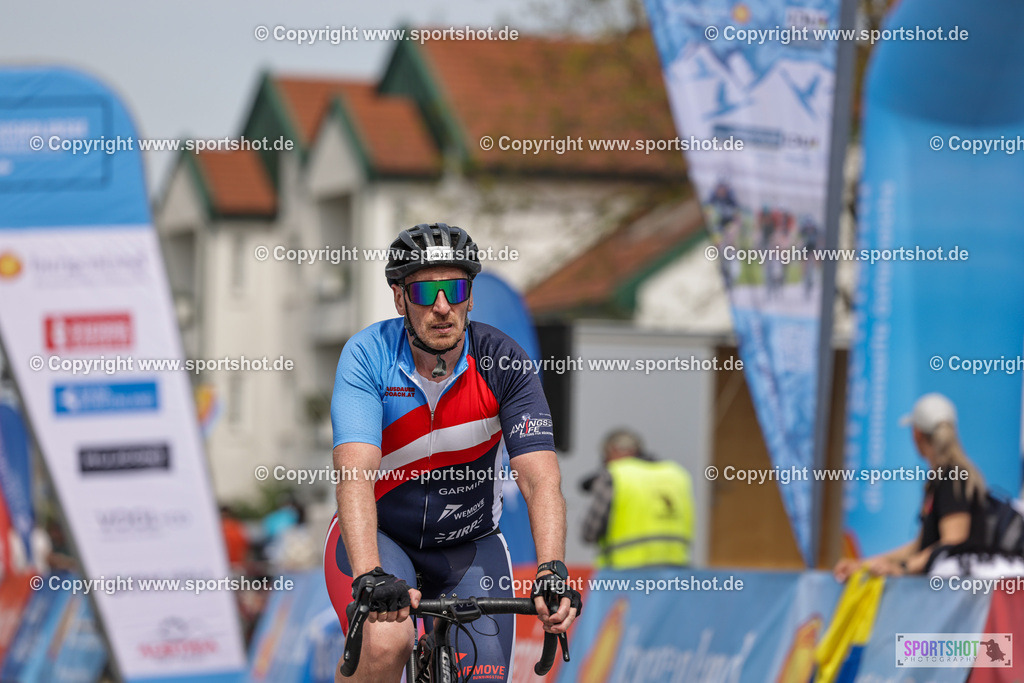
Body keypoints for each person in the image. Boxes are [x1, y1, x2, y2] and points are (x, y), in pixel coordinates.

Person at [323, 223, 581, 682]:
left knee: (485, 675)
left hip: (468, 544)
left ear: (470, 297)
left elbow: (540, 478)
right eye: (426, 291)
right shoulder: (369, 355)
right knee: (387, 644)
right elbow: (355, 473)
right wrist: (370, 574)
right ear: (400, 298)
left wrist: (552, 570)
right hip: (382, 537)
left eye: (455, 288)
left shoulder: (504, 361)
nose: (442, 307)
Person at [833, 393, 988, 580]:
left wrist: (904, 568)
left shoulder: (952, 476)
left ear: (916, 434)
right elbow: (920, 546)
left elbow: (953, 543)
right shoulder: (943, 478)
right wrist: (864, 565)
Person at [581, 429, 696, 568]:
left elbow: (590, 532)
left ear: (613, 450)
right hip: (675, 570)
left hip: (627, 573)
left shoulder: (614, 475)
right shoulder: (676, 474)